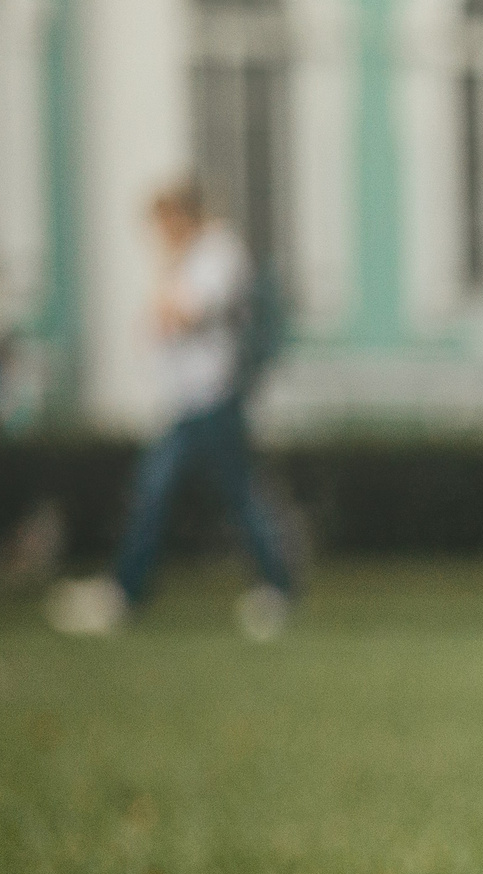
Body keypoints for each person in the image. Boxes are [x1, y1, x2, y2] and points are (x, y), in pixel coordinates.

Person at [47, 182, 297, 640]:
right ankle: (133, 588)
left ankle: (134, 590)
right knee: (179, 493)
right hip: (188, 402)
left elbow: (179, 317)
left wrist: (167, 273)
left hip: (213, 398)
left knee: (193, 493)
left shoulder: (217, 254)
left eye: (163, 222)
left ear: (183, 216)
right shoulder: (195, 257)